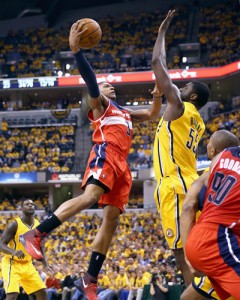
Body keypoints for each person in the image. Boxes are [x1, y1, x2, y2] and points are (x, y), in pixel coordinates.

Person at [20, 19, 163, 300]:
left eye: (111, 85)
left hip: (123, 164)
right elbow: (91, 81)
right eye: (105, 84)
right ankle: (36, 234)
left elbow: (152, 115)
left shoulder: (123, 111)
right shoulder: (101, 107)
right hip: (106, 151)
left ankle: (89, 278)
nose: (108, 86)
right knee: (89, 197)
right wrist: (77, 53)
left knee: (110, 222)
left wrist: (158, 94)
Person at [151, 10, 210, 286]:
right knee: (192, 252)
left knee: (182, 254)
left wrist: (162, 32)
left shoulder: (179, 106)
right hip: (187, 183)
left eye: (185, 87)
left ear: (192, 96)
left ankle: (193, 294)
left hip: (175, 186)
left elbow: (156, 62)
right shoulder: (194, 119)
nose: (180, 87)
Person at [180, 130, 239, 300]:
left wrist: (187, 254)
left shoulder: (218, 162)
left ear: (212, 151)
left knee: (188, 297)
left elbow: (189, 206)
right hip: (220, 240)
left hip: (202, 239)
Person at [0, 199, 47, 300]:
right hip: (12, 263)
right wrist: (14, 252)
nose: (30, 206)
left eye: (32, 204)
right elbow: (1, 244)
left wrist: (46, 264)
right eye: (27, 204)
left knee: (42, 292)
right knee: (12, 295)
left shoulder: (38, 225)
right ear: (21, 208)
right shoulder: (14, 224)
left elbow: (39, 246)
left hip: (28, 264)